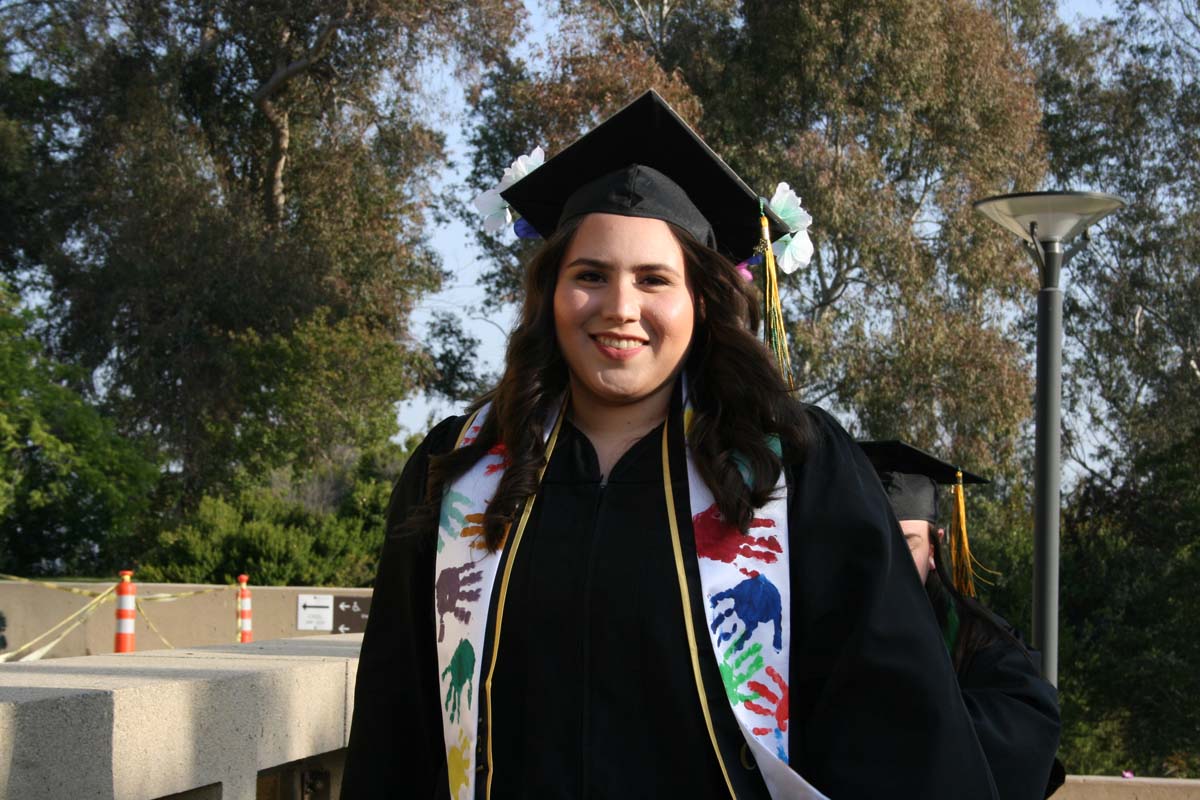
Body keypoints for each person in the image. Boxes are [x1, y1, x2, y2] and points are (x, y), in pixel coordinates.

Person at [342, 90, 1000, 800]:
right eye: (589, 275)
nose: (619, 308)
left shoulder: (792, 471)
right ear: (550, 293)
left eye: (654, 280)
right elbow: (397, 720)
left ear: (702, 301)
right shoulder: (466, 469)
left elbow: (897, 726)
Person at [859, 440, 1065, 800]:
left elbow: (1025, 735)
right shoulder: (829, 622)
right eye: (875, 541)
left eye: (906, 543)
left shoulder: (980, 639)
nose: (890, 560)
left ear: (935, 546)